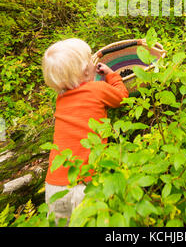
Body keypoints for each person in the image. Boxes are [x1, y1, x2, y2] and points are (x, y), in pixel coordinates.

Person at [42, 38, 128, 225]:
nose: (93, 61)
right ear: (85, 70)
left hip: (54, 186)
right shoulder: (97, 89)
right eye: (90, 59)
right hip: (86, 183)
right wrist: (112, 76)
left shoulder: (60, 98)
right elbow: (122, 97)